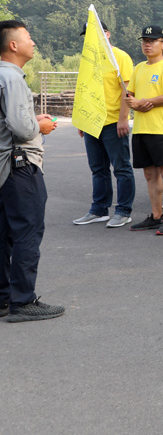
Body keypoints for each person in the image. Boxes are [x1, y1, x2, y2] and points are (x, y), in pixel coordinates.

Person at [0, 20, 63, 322]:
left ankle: (3, 297)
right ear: (13, 45)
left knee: (4, 233)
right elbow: (23, 129)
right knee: (27, 230)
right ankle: (23, 301)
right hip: (20, 165)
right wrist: (41, 125)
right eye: (27, 37)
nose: (33, 42)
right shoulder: (11, 78)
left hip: (5, 167)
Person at [72, 22, 135, 228]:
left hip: (112, 122)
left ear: (106, 34)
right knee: (98, 169)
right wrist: (82, 119)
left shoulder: (120, 57)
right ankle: (99, 209)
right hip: (92, 122)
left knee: (122, 168)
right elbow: (83, 89)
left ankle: (124, 211)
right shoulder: (88, 60)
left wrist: (123, 118)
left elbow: (127, 91)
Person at [125, 26, 163, 234]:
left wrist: (144, 102)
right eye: (144, 41)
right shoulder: (139, 68)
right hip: (141, 128)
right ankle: (156, 215)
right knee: (150, 174)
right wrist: (132, 102)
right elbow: (130, 96)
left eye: (152, 40)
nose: (147, 44)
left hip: (162, 129)